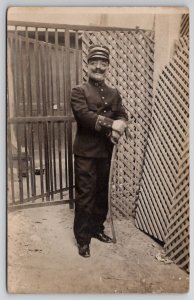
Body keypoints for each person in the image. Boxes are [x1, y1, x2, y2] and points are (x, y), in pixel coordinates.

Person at [71, 44, 128, 257]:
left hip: (106, 152)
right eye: (94, 63)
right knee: (86, 195)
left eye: (103, 63)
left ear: (108, 66)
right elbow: (84, 116)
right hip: (85, 152)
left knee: (101, 194)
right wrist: (111, 125)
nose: (98, 67)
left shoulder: (114, 93)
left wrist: (120, 125)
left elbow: (122, 114)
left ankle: (97, 229)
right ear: (88, 66)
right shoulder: (78, 91)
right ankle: (83, 239)